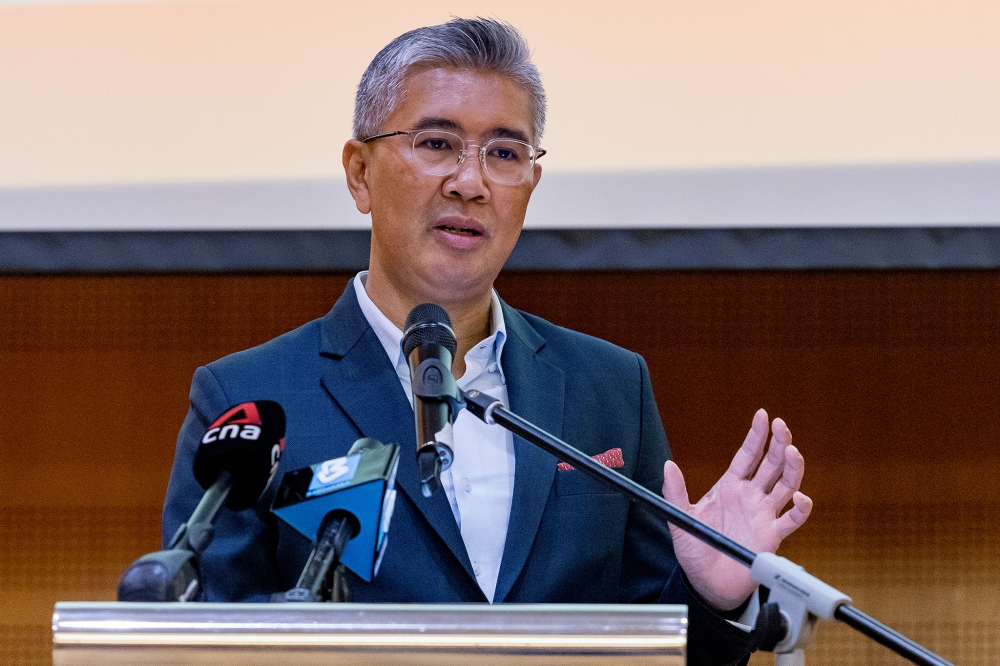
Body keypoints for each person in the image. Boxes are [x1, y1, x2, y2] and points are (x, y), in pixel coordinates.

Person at [162, 18, 811, 666]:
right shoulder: (250, 399)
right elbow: (201, 642)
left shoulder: (607, 387)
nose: (470, 182)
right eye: (438, 143)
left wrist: (713, 595)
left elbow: (653, 647)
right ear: (359, 173)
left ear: (529, 185)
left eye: (504, 153)